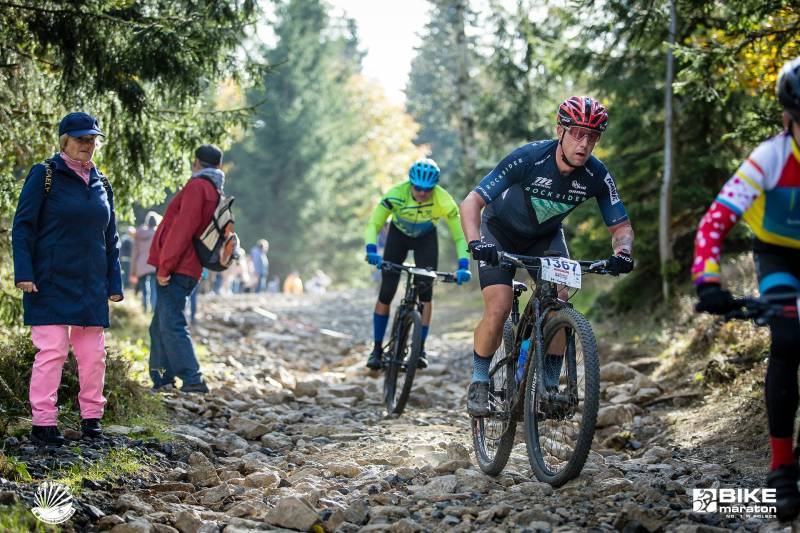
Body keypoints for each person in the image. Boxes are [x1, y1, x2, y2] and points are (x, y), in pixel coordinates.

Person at [459, 96, 635, 416]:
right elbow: (472, 202)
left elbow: (621, 227)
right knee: (498, 306)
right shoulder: (529, 158)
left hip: (545, 238)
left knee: (559, 302)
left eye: (592, 137)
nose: (584, 144)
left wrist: (622, 252)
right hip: (499, 232)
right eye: (577, 133)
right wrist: (475, 243)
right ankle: (480, 379)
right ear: (560, 131)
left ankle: (549, 387)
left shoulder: (596, 175)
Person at [692, 57, 800, 522]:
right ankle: (781, 467)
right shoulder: (770, 157)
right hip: (778, 256)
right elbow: (714, 223)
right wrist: (708, 281)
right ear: (788, 120)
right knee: (789, 340)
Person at [12, 111, 123, 445]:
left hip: (91, 283)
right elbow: (23, 226)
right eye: (80, 139)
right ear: (65, 141)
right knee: (53, 351)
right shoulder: (45, 174)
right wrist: (24, 272)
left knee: (93, 356)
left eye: (91, 140)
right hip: (49, 280)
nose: (86, 145)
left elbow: (111, 237)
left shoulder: (102, 182)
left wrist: (114, 282)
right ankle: (43, 423)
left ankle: (92, 420)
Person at [363, 158, 472, 370]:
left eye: (428, 189)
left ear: (434, 187)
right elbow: (374, 223)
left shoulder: (443, 200)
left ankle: (420, 348)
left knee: (426, 294)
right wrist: (371, 250)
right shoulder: (395, 194)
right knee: (386, 292)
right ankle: (376, 350)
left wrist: (463, 265)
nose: (422, 193)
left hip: (425, 239)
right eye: (418, 188)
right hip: (398, 237)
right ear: (410, 184)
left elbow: (460, 235)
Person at [147, 144, 225, 394]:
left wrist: (165, 266)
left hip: (179, 266)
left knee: (171, 324)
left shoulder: (197, 186)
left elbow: (182, 229)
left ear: (196, 162)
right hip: (191, 266)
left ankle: (193, 379)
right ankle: (163, 379)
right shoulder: (214, 189)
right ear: (218, 165)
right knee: (159, 326)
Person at [130, 211, 161, 313]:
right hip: (154, 265)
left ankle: (144, 310)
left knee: (144, 290)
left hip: (141, 266)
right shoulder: (157, 234)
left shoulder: (138, 235)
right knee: (154, 289)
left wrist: (132, 272)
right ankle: (153, 311)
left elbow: (134, 254)